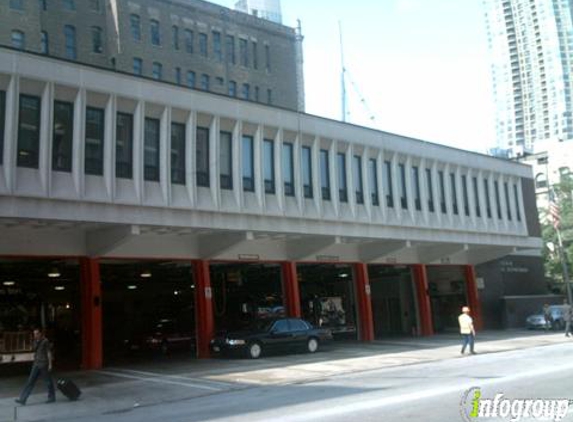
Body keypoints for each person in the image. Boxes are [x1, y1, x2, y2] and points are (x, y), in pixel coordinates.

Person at [15, 328, 56, 405]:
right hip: (36, 364)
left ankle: (52, 397)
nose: (35, 335)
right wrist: (34, 342)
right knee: (30, 381)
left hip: (43, 364)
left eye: (37, 333)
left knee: (48, 382)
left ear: (40, 333)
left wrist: (50, 364)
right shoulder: (35, 341)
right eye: (34, 334)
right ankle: (23, 399)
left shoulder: (45, 341)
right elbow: (33, 349)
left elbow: (48, 353)